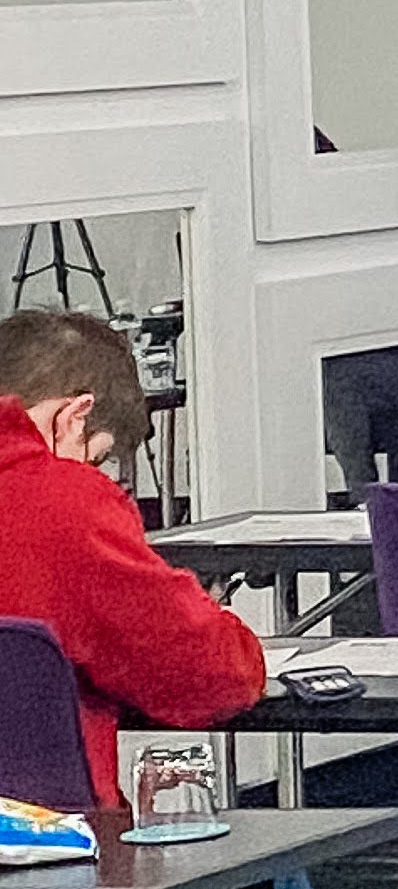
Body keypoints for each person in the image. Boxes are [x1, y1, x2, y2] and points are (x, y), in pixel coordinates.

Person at [0, 309, 264, 802]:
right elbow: (210, 676)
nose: (95, 474)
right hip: (46, 835)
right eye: (97, 458)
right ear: (73, 417)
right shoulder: (67, 505)